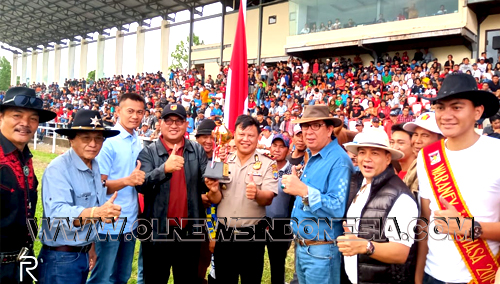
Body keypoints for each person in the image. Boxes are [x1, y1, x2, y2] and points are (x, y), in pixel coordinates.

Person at [415, 73, 500, 284]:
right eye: (440, 107)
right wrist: (418, 277)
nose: (446, 115)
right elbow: (426, 223)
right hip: (432, 276)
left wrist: (469, 228)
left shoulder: (496, 153)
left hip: (483, 276)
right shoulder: (426, 157)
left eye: (457, 107)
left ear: (478, 112)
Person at [37, 110, 121, 284]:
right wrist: (98, 212)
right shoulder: (58, 169)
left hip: (80, 253)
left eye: (99, 138)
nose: (93, 144)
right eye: (85, 138)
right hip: (60, 258)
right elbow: (58, 215)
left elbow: (91, 202)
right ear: (71, 139)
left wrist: (89, 246)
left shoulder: (95, 165)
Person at [135, 103, 214, 283]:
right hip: (157, 232)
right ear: (160, 123)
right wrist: (164, 169)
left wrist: (211, 181)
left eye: (179, 121)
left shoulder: (197, 150)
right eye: (169, 120)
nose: (173, 125)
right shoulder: (148, 152)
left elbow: (203, 183)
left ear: (187, 125)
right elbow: (141, 185)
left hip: (188, 232)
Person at [281, 105, 353, 284]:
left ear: (329, 129)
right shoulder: (312, 156)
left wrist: (303, 190)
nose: (308, 132)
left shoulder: (339, 161)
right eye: (305, 126)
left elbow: (337, 208)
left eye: (316, 126)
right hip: (304, 247)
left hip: (322, 251)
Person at [204, 115, 278, 283]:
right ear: (234, 136)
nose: (245, 139)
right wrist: (213, 189)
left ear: (258, 137)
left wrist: (257, 194)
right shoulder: (223, 161)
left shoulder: (267, 164)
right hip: (225, 235)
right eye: (241, 134)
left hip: (252, 237)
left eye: (250, 135)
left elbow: (268, 198)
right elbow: (215, 199)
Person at [341, 128, 418, 284]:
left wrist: (365, 246)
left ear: (388, 158)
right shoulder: (358, 184)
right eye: (362, 152)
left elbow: (400, 253)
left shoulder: (400, 198)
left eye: (375, 153)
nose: (366, 159)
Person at [87, 93, 146, 284]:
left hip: (130, 220)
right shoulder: (108, 142)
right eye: (130, 111)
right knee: (103, 277)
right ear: (118, 111)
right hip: (108, 221)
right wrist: (127, 181)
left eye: (139, 112)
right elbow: (100, 186)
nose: (135, 116)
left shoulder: (137, 139)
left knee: (122, 275)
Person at [0, 87, 56, 283]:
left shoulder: (26, 157)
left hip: (24, 261)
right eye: (17, 115)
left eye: (33, 118)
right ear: (1, 117)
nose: (25, 123)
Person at [266, 134, 294, 284]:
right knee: (254, 262)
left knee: (277, 265)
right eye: (274, 146)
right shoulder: (264, 167)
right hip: (260, 221)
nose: (277, 149)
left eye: (281, 146)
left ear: (288, 150)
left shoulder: (293, 171)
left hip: (281, 224)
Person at [402, 112, 443, 195]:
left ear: (441, 139)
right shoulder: (417, 162)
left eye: (425, 135)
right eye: (415, 134)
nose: (417, 141)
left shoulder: (444, 168)